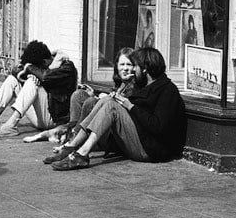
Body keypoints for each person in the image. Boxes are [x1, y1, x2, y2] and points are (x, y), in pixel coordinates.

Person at [50, 47, 186, 171]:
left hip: (150, 150)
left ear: (145, 69)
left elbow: (158, 126)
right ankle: (72, 146)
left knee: (111, 106)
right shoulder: (146, 84)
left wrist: (130, 106)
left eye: (136, 66)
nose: (133, 70)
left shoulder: (168, 90)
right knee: (107, 100)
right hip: (139, 139)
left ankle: (82, 154)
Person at [0, 40, 77, 139]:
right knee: (12, 80)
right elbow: (15, 71)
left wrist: (29, 69)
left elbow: (45, 77)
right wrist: (29, 70)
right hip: (39, 117)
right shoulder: (42, 62)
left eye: (36, 67)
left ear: (44, 62)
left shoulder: (66, 67)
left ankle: (11, 125)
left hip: (54, 120)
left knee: (32, 82)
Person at [25, 47, 136, 146]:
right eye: (122, 64)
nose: (125, 68)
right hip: (96, 120)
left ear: (135, 67)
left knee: (90, 101)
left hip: (115, 131)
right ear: (116, 66)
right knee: (78, 95)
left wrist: (103, 98)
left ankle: (71, 138)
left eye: (129, 64)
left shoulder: (134, 84)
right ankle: (71, 133)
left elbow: (119, 109)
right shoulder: (120, 82)